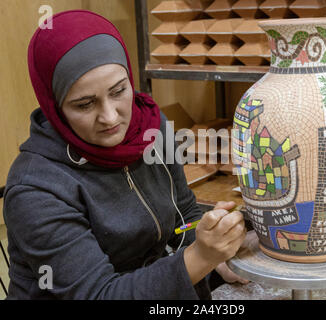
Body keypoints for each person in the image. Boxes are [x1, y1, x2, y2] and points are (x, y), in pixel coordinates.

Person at [2, 10, 248, 300]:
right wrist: (199, 258)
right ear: (55, 107)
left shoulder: (151, 130)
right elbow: (98, 295)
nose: (109, 117)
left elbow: (185, 214)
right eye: (84, 104)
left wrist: (210, 235)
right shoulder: (37, 190)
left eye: (119, 91)